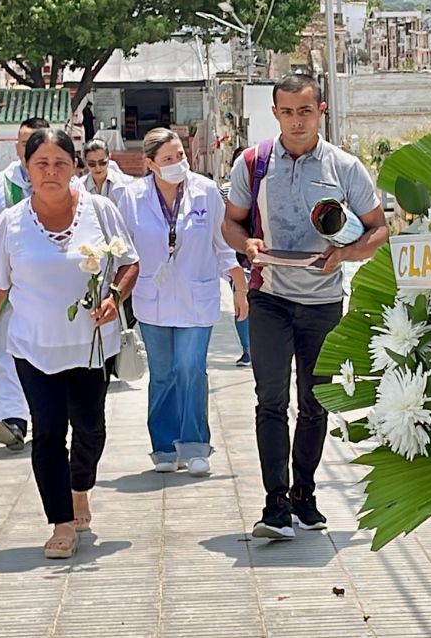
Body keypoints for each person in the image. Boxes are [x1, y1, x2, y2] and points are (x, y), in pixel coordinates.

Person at [222, 74, 388, 539]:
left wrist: (346, 253)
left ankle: (304, 494)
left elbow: (378, 229)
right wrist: (248, 245)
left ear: (321, 111)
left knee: (315, 404)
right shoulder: (252, 164)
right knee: (271, 400)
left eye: (306, 111)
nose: (297, 121)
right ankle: (274, 505)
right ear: (275, 113)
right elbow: (230, 225)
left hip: (323, 302)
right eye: (288, 112)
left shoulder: (345, 167)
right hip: (269, 296)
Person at [0, 128, 139, 559]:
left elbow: (129, 263)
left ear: (75, 167)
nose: (51, 171)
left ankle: (80, 487)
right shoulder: (11, 223)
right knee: (47, 433)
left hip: (89, 346)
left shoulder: (100, 212)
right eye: (41, 163)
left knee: (90, 428)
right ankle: (61, 521)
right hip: (33, 347)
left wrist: (114, 297)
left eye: (60, 163)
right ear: (27, 168)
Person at [118, 128, 247, 478]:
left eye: (180, 156)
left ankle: (194, 445)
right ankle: (163, 445)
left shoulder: (205, 192)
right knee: (162, 375)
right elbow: (123, 251)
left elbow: (223, 245)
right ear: (150, 164)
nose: (177, 164)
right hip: (152, 298)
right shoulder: (131, 197)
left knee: (190, 368)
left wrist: (238, 285)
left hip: (197, 296)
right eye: (168, 159)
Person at [0, 117, 50, 450]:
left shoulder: (64, 180)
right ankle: (12, 419)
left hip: (49, 286)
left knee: (44, 352)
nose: (27, 148)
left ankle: (44, 415)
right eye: (23, 143)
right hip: (6, 286)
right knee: (5, 349)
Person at [220, 146, 251, 367]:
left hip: (264, 254)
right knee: (241, 301)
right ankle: (247, 349)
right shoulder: (226, 190)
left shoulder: (267, 185)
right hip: (238, 254)